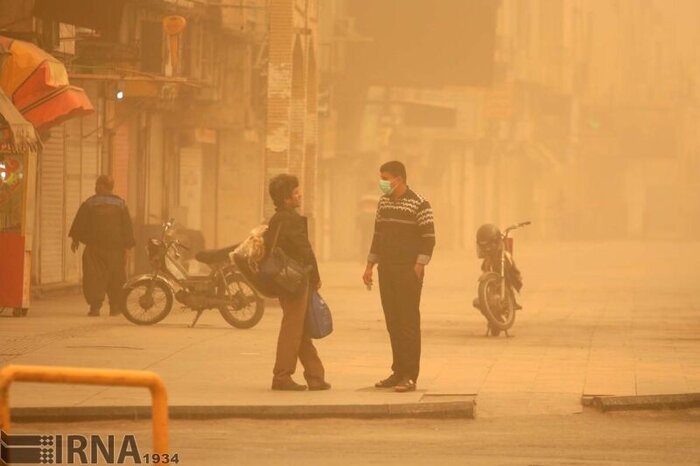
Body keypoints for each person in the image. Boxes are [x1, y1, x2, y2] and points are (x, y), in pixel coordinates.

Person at [362, 161, 436, 393]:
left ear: (399, 179)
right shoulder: (383, 203)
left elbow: (429, 237)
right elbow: (377, 234)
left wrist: (418, 265)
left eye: (386, 178)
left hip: (408, 271)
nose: (382, 183)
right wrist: (369, 265)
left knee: (408, 323)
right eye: (381, 178)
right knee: (393, 322)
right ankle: (397, 371)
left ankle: (410, 375)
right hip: (387, 269)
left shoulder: (420, 203)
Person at [266, 174, 330, 391]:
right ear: (286, 198)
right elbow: (304, 250)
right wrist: (316, 276)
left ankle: (315, 376)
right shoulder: (290, 219)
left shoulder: (276, 219)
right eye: (295, 192)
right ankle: (281, 376)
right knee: (292, 329)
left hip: (283, 280)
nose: (299, 195)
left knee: (299, 328)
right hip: (295, 280)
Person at [69, 175, 135, 316]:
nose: (95, 187)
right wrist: (127, 247)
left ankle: (95, 307)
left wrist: (75, 239)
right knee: (116, 278)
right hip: (115, 250)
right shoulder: (121, 204)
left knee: (93, 277)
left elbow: (80, 223)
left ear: (103, 186)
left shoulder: (90, 203)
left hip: (95, 248)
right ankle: (115, 307)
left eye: (97, 184)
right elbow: (127, 227)